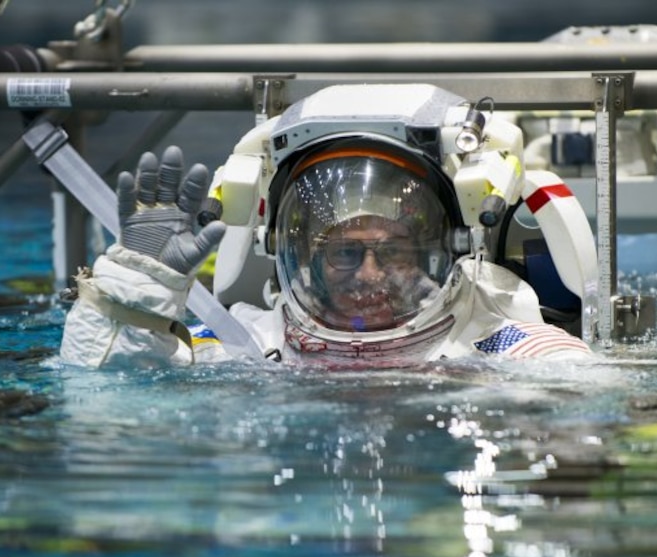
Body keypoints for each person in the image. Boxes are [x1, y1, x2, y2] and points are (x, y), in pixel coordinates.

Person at [60, 83, 596, 369]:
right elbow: (98, 392)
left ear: (446, 249)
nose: (367, 275)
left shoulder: (500, 347)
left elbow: (587, 404)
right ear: (298, 255)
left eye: (392, 253)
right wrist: (133, 290)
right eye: (344, 253)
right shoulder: (249, 346)